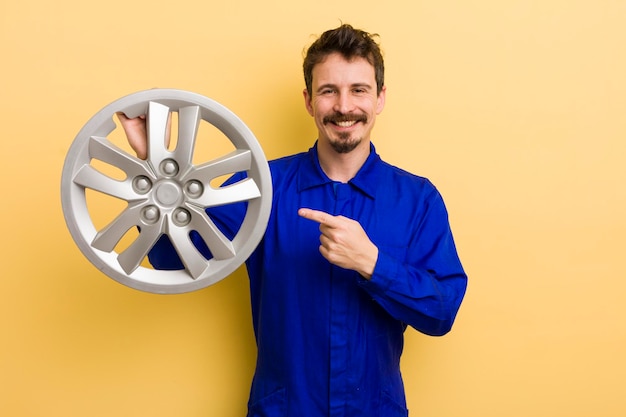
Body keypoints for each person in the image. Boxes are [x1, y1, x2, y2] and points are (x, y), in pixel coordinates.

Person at [118, 24, 467, 417]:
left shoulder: (417, 200)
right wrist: (155, 168)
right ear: (308, 100)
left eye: (359, 90)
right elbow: (171, 258)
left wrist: (372, 263)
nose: (344, 106)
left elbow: (442, 311)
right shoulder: (259, 189)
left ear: (380, 98)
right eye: (328, 90)